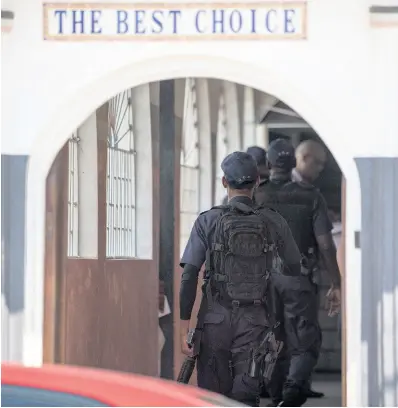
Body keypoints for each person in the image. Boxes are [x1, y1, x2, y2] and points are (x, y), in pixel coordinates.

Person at [179, 151, 321, 407]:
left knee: (213, 398)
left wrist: (184, 330)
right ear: (257, 181)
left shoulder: (208, 220)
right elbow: (293, 268)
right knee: (245, 397)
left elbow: (189, 275)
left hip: (214, 320)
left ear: (225, 182)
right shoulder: (273, 220)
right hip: (256, 321)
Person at [254, 138, 341, 399]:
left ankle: (277, 394)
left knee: (273, 337)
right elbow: (326, 245)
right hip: (298, 280)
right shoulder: (310, 196)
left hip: (263, 280)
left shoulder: (256, 194)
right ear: (294, 163)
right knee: (305, 341)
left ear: (268, 165)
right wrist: (336, 283)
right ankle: (292, 391)